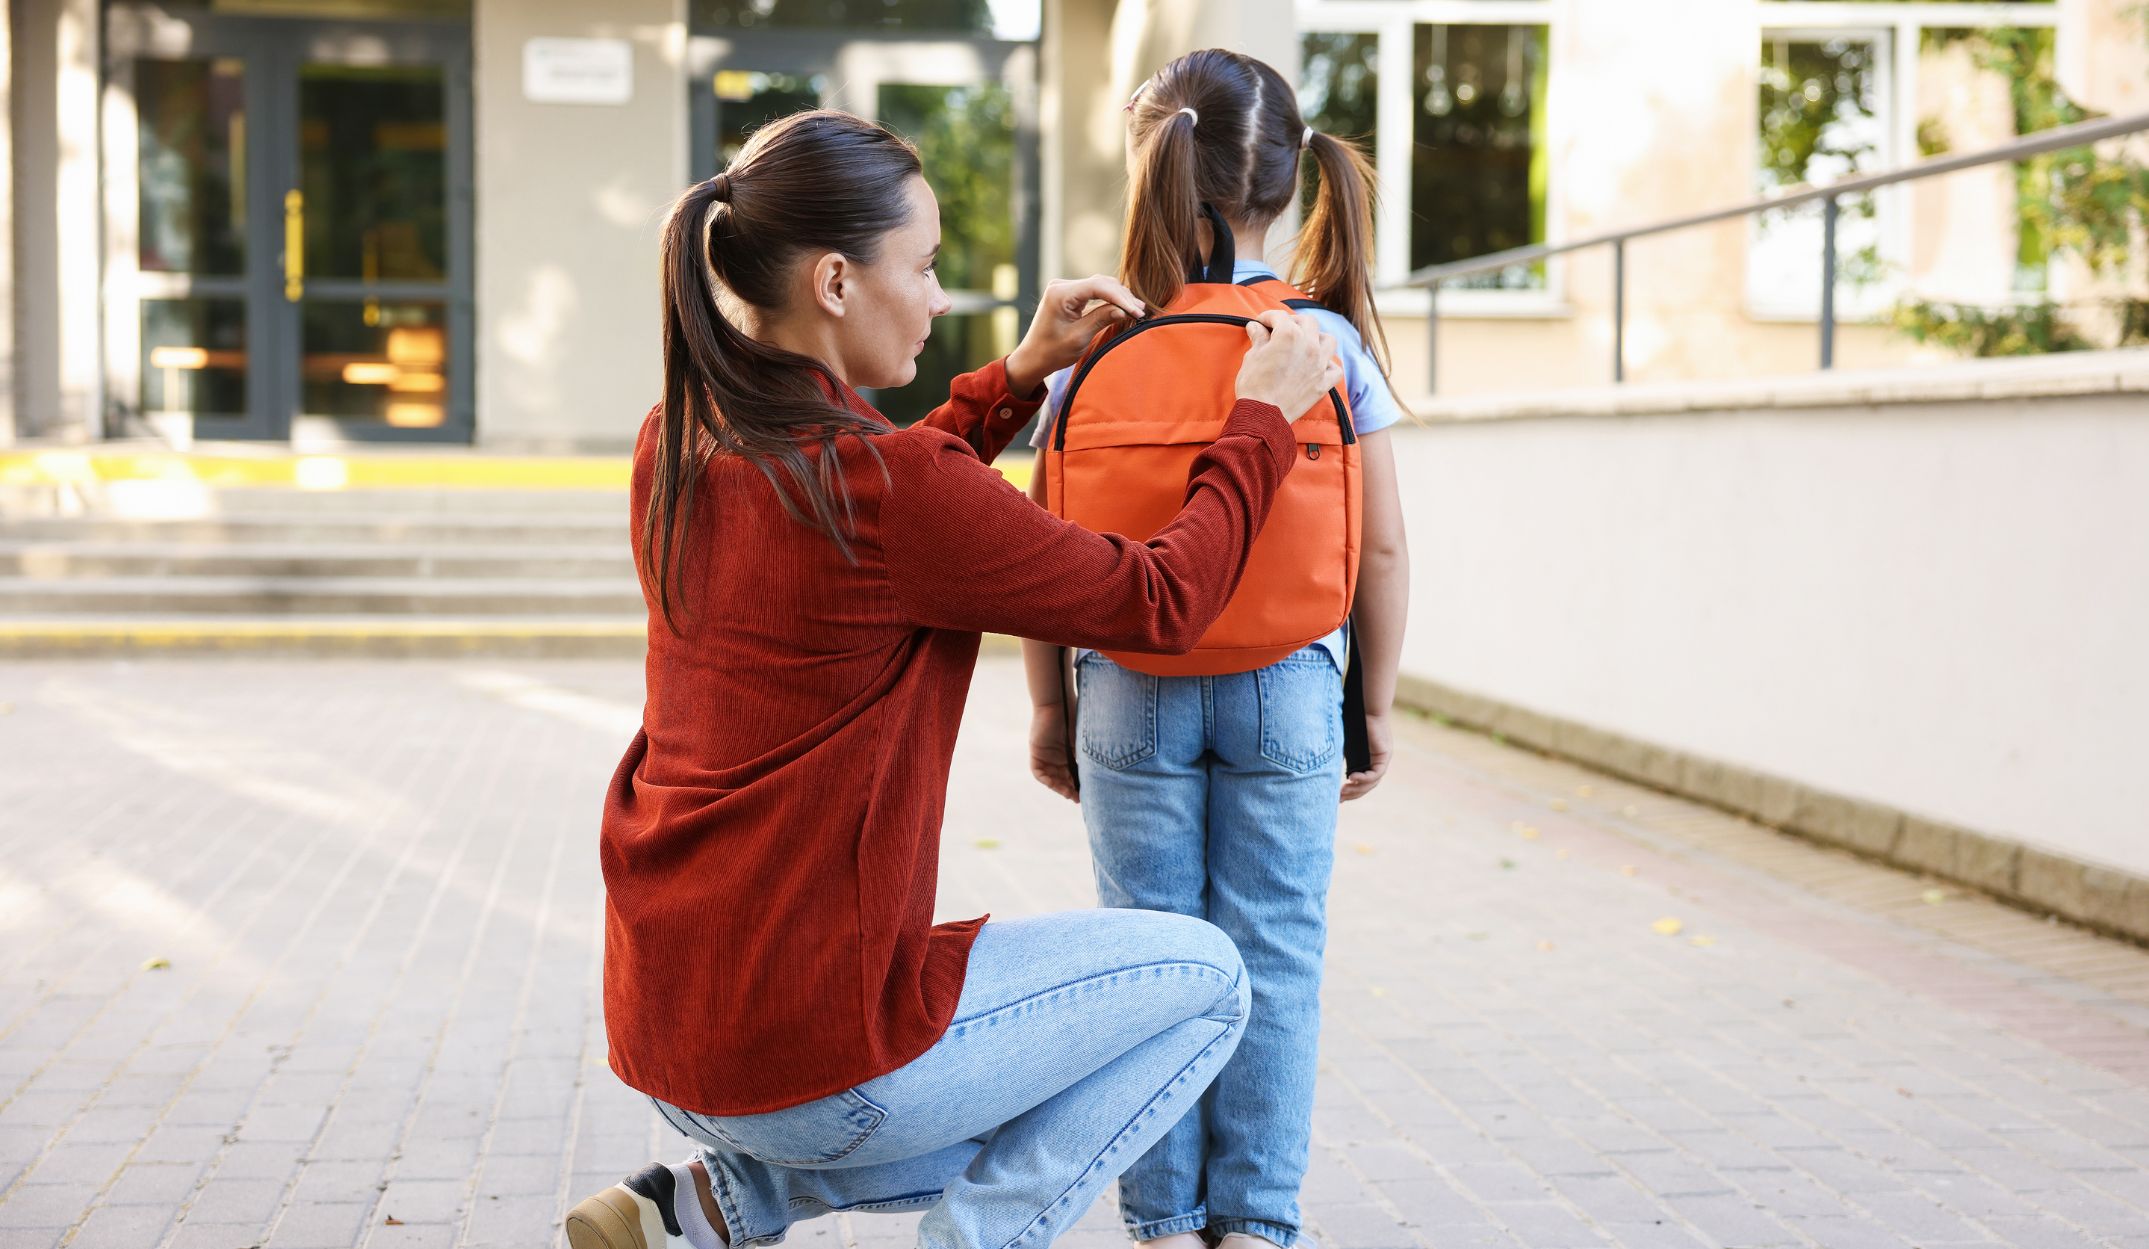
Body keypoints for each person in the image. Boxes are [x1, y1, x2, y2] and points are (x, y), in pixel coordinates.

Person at [563, 109, 1343, 1249]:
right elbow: (1156, 601)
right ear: (835, 280)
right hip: (814, 1053)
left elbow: (891, 514)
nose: (938, 299)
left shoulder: (680, 441)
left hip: (676, 1039)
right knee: (1208, 983)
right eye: (923, 268)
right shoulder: (886, 490)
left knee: (1068, 1082)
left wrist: (1017, 377)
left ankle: (715, 1201)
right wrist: (1260, 425)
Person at [1018, 49, 1412, 1249]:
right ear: (1288, 188)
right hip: (1292, 676)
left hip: (1128, 680)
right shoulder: (1321, 344)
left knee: (1152, 962)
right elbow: (1380, 553)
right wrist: (1373, 707)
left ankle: (1162, 1221)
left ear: (1149, 169)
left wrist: (1048, 706)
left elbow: (1045, 548)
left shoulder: (1094, 345)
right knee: (1276, 956)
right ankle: (1253, 1224)